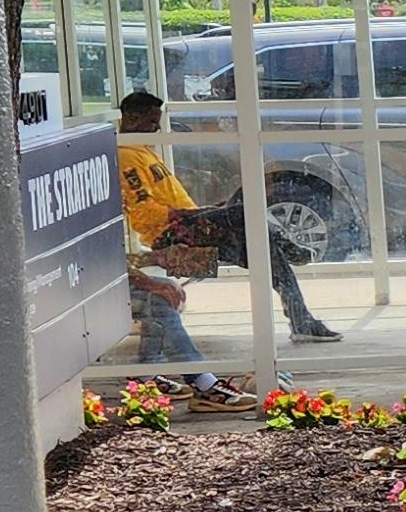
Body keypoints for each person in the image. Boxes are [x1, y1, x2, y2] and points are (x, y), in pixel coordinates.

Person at [115, 89, 339, 343]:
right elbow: (145, 214)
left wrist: (209, 212)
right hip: (170, 233)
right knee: (246, 214)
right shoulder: (127, 156)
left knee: (265, 248)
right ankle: (293, 259)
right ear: (133, 118)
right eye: (152, 122)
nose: (157, 129)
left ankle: (302, 319)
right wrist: (204, 214)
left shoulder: (141, 151)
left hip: (187, 223)